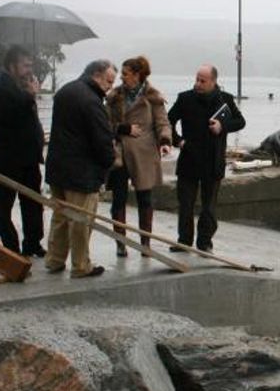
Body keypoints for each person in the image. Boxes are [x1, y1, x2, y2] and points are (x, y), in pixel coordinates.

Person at [43, 60, 117, 278]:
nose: (110, 87)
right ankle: (81, 265)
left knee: (60, 217)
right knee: (81, 221)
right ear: (96, 74)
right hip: (81, 172)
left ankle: (54, 260)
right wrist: (109, 162)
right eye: (108, 81)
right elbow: (102, 140)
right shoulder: (92, 101)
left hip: (58, 167)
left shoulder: (66, 91)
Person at [168, 64, 245, 252]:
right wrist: (178, 141)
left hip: (213, 159)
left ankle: (204, 242)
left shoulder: (225, 99)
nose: (198, 84)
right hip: (189, 157)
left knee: (209, 206)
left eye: (203, 81)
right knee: (185, 204)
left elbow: (240, 121)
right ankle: (184, 241)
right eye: (197, 79)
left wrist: (222, 126)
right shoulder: (185, 98)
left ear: (213, 82)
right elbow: (167, 121)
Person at [105, 56, 172, 257]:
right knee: (118, 199)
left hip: (144, 154)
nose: (121, 78)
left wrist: (166, 141)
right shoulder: (114, 96)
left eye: (125, 74)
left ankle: (145, 243)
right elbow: (102, 124)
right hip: (119, 154)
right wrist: (122, 129)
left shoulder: (153, 97)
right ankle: (120, 243)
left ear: (137, 75)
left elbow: (162, 123)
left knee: (145, 199)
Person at [0, 45, 45, 257]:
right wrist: (29, 97)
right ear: (12, 65)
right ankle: (11, 248)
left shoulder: (23, 86)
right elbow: (9, 118)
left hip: (29, 158)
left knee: (32, 202)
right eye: (25, 65)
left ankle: (33, 243)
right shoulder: (0, 89)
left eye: (31, 65)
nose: (29, 70)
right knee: (5, 204)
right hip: (8, 158)